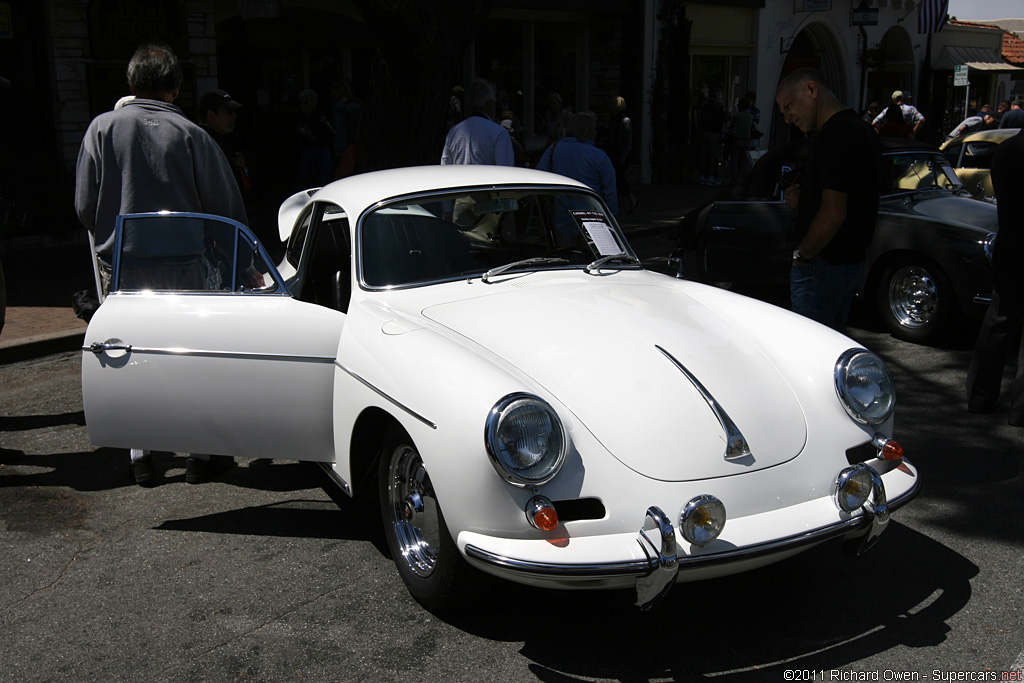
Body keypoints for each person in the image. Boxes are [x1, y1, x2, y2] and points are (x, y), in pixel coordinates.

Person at [74, 42, 247, 486]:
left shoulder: (101, 129)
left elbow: (84, 206)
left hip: (124, 268)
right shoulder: (192, 134)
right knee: (186, 356)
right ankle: (198, 454)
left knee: (133, 357)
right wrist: (243, 264)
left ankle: (142, 456)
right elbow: (225, 209)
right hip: (184, 266)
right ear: (173, 89)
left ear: (131, 84)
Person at [775, 67, 882, 333]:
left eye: (788, 106)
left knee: (810, 349)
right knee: (831, 346)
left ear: (811, 90)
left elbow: (834, 213)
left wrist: (802, 254)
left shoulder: (836, 134)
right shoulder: (860, 129)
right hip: (849, 261)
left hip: (823, 265)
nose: (788, 118)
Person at [966, 127, 1024, 426]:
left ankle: (980, 395)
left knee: (999, 320)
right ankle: (1020, 408)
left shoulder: (1007, 150)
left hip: (1011, 243)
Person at [536, 111, 618, 214]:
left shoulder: (553, 149)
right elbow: (610, 191)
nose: (596, 133)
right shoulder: (599, 156)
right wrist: (611, 215)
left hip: (560, 216)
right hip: (592, 216)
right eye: (594, 129)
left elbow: (539, 180)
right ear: (589, 131)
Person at [440, 79, 513, 166]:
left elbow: (445, 167)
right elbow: (505, 170)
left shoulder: (453, 132)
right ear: (489, 103)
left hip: (460, 179)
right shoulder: (498, 132)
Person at [198, 89, 252, 203]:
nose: (234, 116)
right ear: (211, 115)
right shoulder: (202, 142)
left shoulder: (228, 138)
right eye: (229, 111)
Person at [295, 88, 335, 189]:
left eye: (306, 102)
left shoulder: (320, 118)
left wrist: (311, 135)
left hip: (320, 154)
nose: (303, 105)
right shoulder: (300, 118)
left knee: (322, 180)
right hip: (306, 154)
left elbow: (327, 137)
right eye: (301, 103)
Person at [606, 96, 638, 212]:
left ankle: (631, 199)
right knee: (616, 177)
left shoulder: (625, 121)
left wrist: (623, 156)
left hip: (621, 153)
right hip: (613, 152)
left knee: (619, 176)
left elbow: (627, 141)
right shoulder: (613, 120)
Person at [696, 88, 728, 185]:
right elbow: (723, 118)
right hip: (714, 133)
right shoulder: (718, 108)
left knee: (704, 155)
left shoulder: (704, 108)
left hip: (704, 133)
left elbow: (700, 119)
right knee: (713, 156)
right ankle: (710, 176)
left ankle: (702, 176)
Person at [726, 98, 754, 182]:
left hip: (737, 139)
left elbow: (731, 127)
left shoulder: (736, 116)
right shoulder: (750, 117)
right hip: (747, 140)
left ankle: (734, 178)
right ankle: (744, 178)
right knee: (745, 161)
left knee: (735, 160)